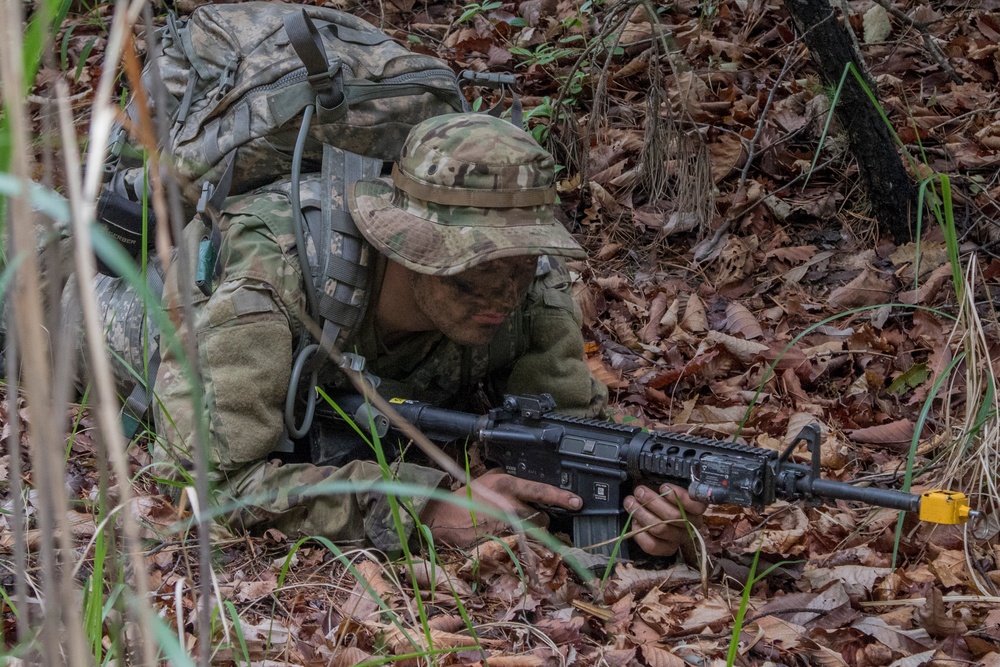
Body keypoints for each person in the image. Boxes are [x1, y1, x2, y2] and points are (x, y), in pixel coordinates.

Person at [150, 113, 706, 557]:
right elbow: (207, 484)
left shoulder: (532, 290)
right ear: (403, 246)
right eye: (474, 271)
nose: (503, 294)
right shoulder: (280, 270)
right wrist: (425, 507)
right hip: (145, 324)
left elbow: (576, 438)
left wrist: (642, 516)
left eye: (519, 262)